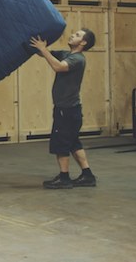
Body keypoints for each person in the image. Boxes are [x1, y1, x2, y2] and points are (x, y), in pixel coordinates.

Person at [30, 28, 97, 189]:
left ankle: (64, 178)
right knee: (73, 143)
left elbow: (59, 67)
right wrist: (40, 47)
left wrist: (43, 49)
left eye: (78, 35)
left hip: (66, 110)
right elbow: (47, 54)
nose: (73, 35)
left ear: (83, 43)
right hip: (69, 110)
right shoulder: (67, 54)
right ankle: (87, 176)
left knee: (61, 144)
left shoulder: (78, 59)